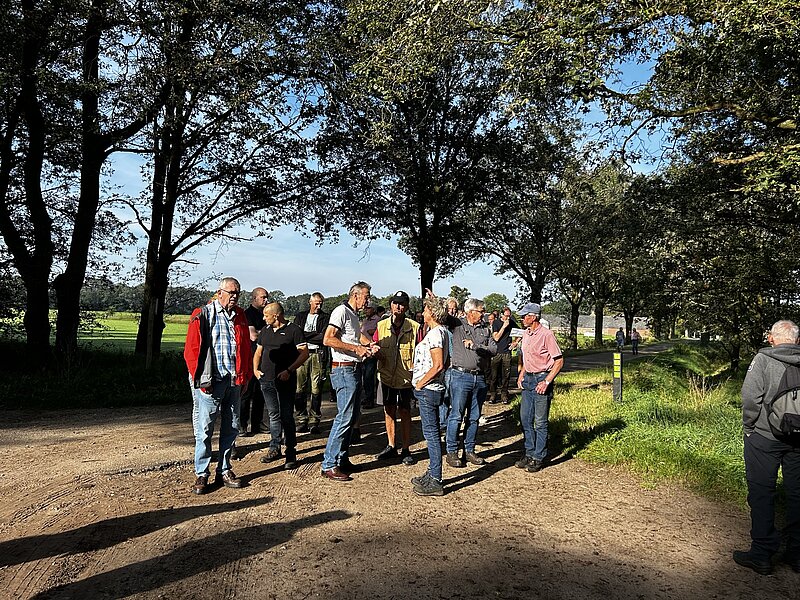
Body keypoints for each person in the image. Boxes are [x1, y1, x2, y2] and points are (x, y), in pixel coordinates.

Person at [733, 320, 800, 575]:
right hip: (798, 440)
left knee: (762, 492)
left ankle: (761, 554)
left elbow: (750, 397)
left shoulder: (763, 359)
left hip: (764, 436)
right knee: (797, 494)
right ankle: (796, 554)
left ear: (771, 338)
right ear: (797, 341)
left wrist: (749, 427)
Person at [184, 277, 253, 495]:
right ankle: (202, 473)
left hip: (234, 380)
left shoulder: (240, 316)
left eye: (237, 293)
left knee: (231, 428)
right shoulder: (203, 313)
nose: (235, 297)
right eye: (231, 292)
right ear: (219, 292)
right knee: (205, 429)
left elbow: (245, 348)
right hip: (211, 382)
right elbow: (191, 350)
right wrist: (200, 379)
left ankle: (224, 469)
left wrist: (246, 377)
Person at [321, 282, 377, 481]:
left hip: (353, 369)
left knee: (351, 416)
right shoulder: (341, 311)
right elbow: (328, 339)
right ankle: (329, 464)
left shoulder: (352, 315)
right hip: (344, 369)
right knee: (344, 417)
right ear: (355, 295)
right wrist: (356, 349)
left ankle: (342, 459)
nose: (368, 300)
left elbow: (356, 336)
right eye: (366, 296)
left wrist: (369, 345)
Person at [253, 302, 309, 470]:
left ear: (276, 315)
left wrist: (289, 370)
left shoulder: (294, 330)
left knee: (286, 415)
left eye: (266, 315)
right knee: (273, 415)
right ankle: (274, 448)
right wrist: (255, 370)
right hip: (266, 380)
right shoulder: (265, 331)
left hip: (285, 380)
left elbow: (304, 354)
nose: (264, 318)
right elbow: (258, 352)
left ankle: (291, 451)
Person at [444, 298, 497, 468]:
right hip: (460, 376)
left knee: (474, 417)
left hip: (479, 378)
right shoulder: (458, 324)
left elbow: (493, 350)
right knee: (456, 415)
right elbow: (442, 315)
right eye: (481, 311)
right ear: (470, 312)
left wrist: (475, 346)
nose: (483, 314)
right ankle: (452, 452)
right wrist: (434, 300)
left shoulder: (485, 329)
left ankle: (469, 450)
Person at [515, 302, 564, 473]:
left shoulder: (546, 335)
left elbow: (559, 361)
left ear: (533, 317)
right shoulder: (526, 334)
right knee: (525, 419)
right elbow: (526, 357)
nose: (522, 319)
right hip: (528, 379)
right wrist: (521, 374)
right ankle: (529, 453)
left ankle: (539, 456)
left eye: (524, 316)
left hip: (542, 378)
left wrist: (547, 381)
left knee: (540, 421)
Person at [373, 290, 420, 466]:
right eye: (395, 303)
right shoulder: (381, 325)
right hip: (386, 377)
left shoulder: (415, 327)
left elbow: (421, 351)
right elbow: (374, 345)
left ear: (406, 307)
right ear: (391, 305)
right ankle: (391, 445)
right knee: (389, 410)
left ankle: (406, 449)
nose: (398, 306)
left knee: (405, 412)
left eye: (402, 304)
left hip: (406, 378)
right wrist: (375, 352)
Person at [410, 297, 450, 496]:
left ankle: (436, 479)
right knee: (432, 433)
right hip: (433, 388)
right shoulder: (441, 332)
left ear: (432, 313)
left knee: (432, 435)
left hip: (429, 389)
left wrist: (420, 383)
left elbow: (439, 365)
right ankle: (432, 472)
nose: (423, 313)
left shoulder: (435, 334)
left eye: (426, 309)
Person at [293, 293, 329, 434]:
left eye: (321, 303)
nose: (318, 306)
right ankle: (301, 419)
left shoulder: (325, 318)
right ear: (310, 302)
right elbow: (296, 334)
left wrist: (305, 335)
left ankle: (314, 420)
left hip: (317, 355)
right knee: (299, 388)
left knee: (316, 388)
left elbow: (323, 337)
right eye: (316, 303)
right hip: (301, 354)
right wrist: (313, 334)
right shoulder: (300, 316)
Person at [239, 287, 269, 437]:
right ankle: (242, 424)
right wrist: (269, 333)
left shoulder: (266, 314)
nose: (266, 300)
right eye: (263, 297)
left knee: (260, 392)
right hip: (250, 357)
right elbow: (253, 336)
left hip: (264, 357)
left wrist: (262, 332)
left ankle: (257, 423)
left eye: (267, 297)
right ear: (255, 298)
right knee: (247, 391)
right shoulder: (248, 314)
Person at [487, 306, 518, 404]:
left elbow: (521, 332)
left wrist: (515, 342)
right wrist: (504, 327)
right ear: (501, 315)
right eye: (506, 316)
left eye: (509, 316)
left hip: (507, 352)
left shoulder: (511, 323)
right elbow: (496, 338)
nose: (508, 318)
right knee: (494, 375)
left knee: (506, 375)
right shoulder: (496, 323)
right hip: (497, 352)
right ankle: (493, 394)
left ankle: (504, 395)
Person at [360, 301, 380, 409]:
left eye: (368, 308)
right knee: (365, 376)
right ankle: (367, 397)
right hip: (364, 352)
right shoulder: (365, 320)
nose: (366, 310)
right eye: (365, 308)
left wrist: (374, 331)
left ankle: (370, 400)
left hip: (372, 352)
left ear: (373, 309)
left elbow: (380, 333)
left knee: (369, 376)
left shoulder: (378, 320)